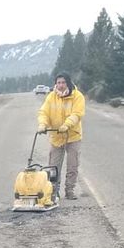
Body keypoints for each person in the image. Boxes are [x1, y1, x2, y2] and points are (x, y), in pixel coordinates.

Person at [37, 72, 85, 201]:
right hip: (56, 136)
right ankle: (53, 190)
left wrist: (67, 125)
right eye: (58, 83)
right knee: (53, 166)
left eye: (63, 82)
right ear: (55, 84)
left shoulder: (77, 96)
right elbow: (44, 112)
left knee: (72, 165)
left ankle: (69, 190)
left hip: (72, 136)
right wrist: (42, 124)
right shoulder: (51, 96)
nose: (61, 85)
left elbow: (77, 113)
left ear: (68, 83)